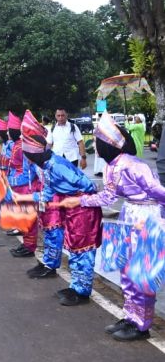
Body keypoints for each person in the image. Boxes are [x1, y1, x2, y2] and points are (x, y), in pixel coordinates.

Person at [60, 113, 163, 341]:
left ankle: (141, 325)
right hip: (128, 214)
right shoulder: (112, 165)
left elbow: (158, 192)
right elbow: (107, 197)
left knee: (141, 274)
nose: (95, 146)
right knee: (125, 269)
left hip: (147, 218)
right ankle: (130, 317)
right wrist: (80, 200)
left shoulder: (134, 165)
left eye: (98, 142)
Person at [12, 111, 101, 307]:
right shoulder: (47, 166)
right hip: (73, 209)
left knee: (82, 250)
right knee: (75, 249)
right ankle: (76, 286)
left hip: (82, 210)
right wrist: (25, 197)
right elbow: (46, 193)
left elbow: (87, 185)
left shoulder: (57, 165)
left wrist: (81, 202)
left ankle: (82, 291)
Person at [6, 111, 41, 256]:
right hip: (19, 188)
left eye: (9, 130)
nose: (7, 133)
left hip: (27, 188)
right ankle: (27, 244)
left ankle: (29, 247)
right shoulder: (17, 145)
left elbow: (29, 173)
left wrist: (11, 181)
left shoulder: (24, 147)